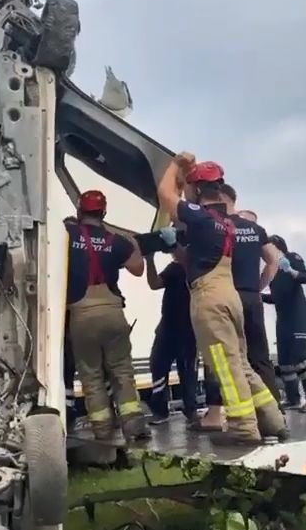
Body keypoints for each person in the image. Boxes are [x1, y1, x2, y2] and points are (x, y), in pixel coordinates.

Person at [157, 154, 286, 445]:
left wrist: (177, 165)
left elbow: (165, 194)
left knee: (223, 365)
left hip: (210, 298)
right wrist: (176, 248)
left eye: (191, 187)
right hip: (231, 295)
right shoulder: (225, 222)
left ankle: (243, 428)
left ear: (199, 189)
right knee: (241, 363)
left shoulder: (199, 217)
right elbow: (195, 259)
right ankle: (274, 420)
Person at [66, 190, 149, 443]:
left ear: (80, 211)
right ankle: (134, 426)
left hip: (81, 315)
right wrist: (133, 241)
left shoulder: (68, 234)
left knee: (91, 375)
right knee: (122, 371)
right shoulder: (117, 241)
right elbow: (138, 269)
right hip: (113, 313)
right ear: (104, 213)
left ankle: (102, 432)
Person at [221, 187, 282, 407]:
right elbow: (272, 259)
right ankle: (275, 409)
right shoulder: (256, 229)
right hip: (251, 296)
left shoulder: (218, 225)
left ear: (221, 198)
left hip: (227, 296)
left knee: (229, 356)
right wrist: (259, 286)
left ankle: (239, 410)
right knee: (260, 356)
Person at [263, 235, 306, 413]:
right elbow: (276, 298)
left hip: (298, 316)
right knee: (285, 362)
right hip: (283, 319)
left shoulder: (292, 258)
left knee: (299, 358)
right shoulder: (271, 270)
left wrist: (290, 271)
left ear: (278, 247)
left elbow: (305, 278)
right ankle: (293, 399)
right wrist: (258, 297)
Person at [145, 249, 199, 426]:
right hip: (167, 328)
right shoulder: (173, 269)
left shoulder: (196, 268)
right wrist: (150, 260)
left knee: (188, 370)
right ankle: (160, 410)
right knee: (158, 365)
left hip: (189, 329)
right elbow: (154, 284)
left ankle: (191, 410)